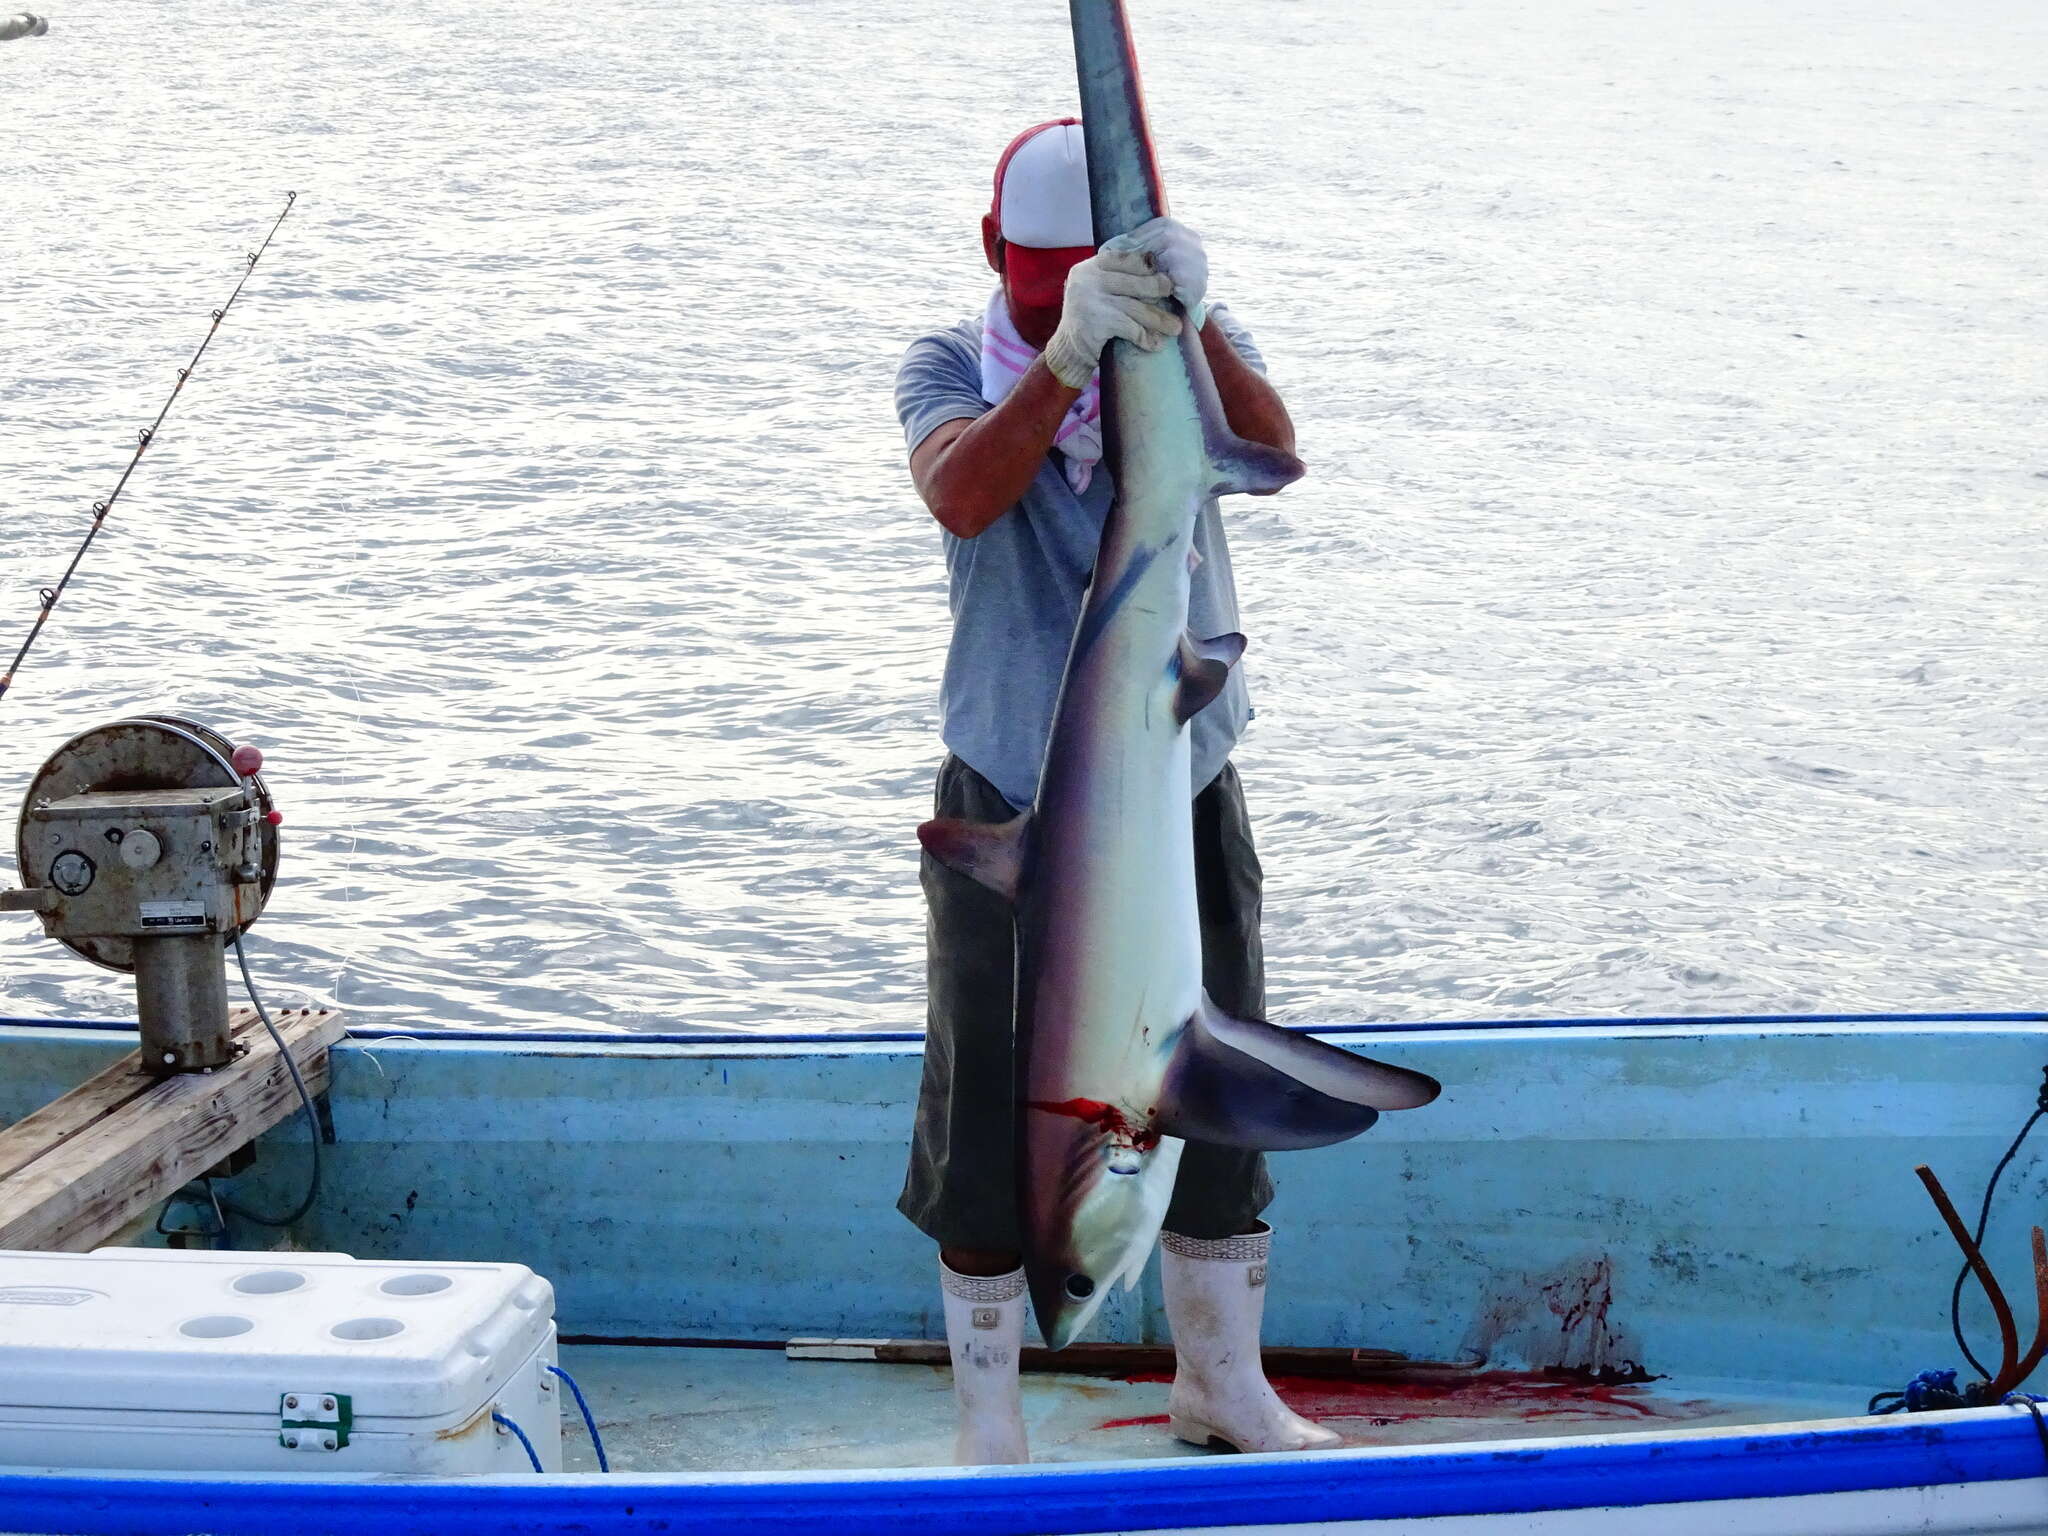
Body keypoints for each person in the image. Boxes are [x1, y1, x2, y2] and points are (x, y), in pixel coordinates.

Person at [893, 119, 1337, 1466]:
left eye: (1072, 271)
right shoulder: (942, 367)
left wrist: (1184, 329)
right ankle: (989, 1427)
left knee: (1216, 1065)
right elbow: (962, 496)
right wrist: (1066, 356)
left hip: (1181, 781)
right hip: (1012, 795)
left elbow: (1279, 450)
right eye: (1032, 274)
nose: (1048, 289)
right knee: (983, 1111)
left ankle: (1222, 1387)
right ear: (993, 252)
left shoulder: (1185, 336)